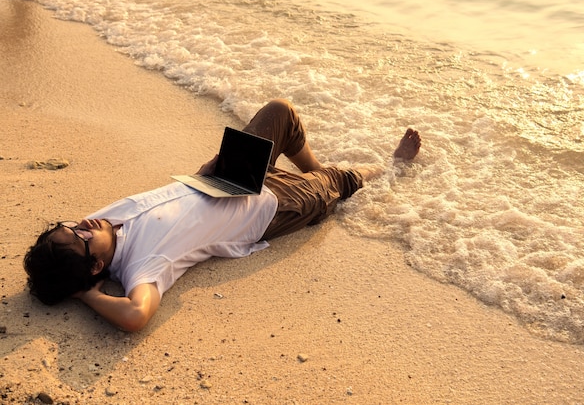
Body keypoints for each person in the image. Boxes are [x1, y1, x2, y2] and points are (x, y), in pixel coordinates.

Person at [23, 99, 421, 332]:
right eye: (79, 236)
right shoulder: (142, 265)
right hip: (271, 206)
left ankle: (313, 169)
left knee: (280, 111)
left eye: (69, 225)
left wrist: (203, 174)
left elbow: (168, 202)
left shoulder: (101, 225)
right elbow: (136, 314)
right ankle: (388, 167)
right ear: (96, 267)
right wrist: (86, 295)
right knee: (340, 179)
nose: (83, 224)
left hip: (227, 179)